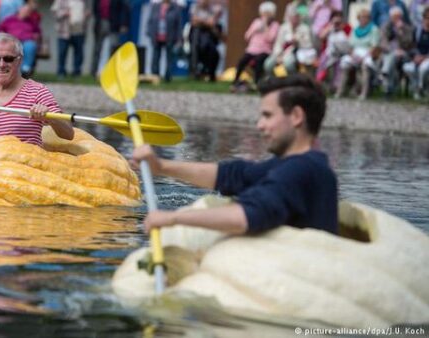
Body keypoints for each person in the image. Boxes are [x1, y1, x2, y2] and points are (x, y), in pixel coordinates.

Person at [131, 74, 337, 235]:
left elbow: (246, 217)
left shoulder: (300, 170)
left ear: (296, 116)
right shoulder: (300, 164)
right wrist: (161, 167)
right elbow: (234, 175)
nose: (260, 125)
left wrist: (172, 219)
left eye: (268, 116)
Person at [231, 1, 279, 90]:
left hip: (265, 50)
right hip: (252, 49)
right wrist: (254, 29)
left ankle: (256, 82)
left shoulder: (274, 25)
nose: (266, 15)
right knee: (242, 61)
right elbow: (247, 36)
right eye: (264, 13)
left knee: (258, 61)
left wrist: (265, 26)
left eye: (268, 13)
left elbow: (271, 39)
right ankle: (235, 81)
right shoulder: (256, 22)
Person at [264, 9, 316, 77]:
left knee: (288, 64)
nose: (294, 19)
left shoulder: (305, 28)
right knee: (268, 64)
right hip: (281, 53)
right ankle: (273, 81)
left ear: (299, 17)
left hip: (297, 52)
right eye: (292, 17)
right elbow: (278, 43)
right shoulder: (283, 27)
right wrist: (278, 55)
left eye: (296, 17)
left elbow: (308, 44)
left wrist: (298, 41)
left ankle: (292, 81)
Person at [0, 2, 41, 78]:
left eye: (29, 11)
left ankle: (25, 70)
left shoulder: (32, 21)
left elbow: (37, 32)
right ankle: (11, 70)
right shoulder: (10, 19)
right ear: (20, 10)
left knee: (30, 46)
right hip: (12, 41)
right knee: (12, 48)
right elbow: (0, 30)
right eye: (26, 10)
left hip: (27, 41)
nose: (28, 13)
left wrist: (36, 36)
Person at [90, 0, 130, 77]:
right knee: (97, 49)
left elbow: (124, 9)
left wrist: (123, 24)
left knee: (113, 50)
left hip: (114, 24)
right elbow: (95, 9)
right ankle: (93, 72)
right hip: (100, 23)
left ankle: (112, 73)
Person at [51, 0, 89, 78]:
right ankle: (61, 72)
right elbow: (54, 13)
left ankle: (76, 72)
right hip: (64, 31)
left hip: (79, 31)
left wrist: (86, 15)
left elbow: (86, 12)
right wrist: (64, 13)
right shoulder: (60, 1)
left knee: (79, 54)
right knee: (62, 53)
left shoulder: (83, 2)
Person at [146, 0, 182, 82]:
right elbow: (150, 20)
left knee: (169, 57)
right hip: (156, 35)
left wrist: (179, 37)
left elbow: (178, 24)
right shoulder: (155, 6)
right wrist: (149, 31)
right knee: (155, 57)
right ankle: (155, 76)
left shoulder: (175, 7)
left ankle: (168, 77)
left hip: (170, 36)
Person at [403, 7, 429, 100]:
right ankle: (416, 89)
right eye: (426, 18)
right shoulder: (418, 30)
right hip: (418, 57)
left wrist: (425, 57)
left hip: (427, 58)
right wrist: (415, 56)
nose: (427, 21)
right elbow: (413, 45)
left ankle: (423, 89)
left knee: (424, 68)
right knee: (408, 68)